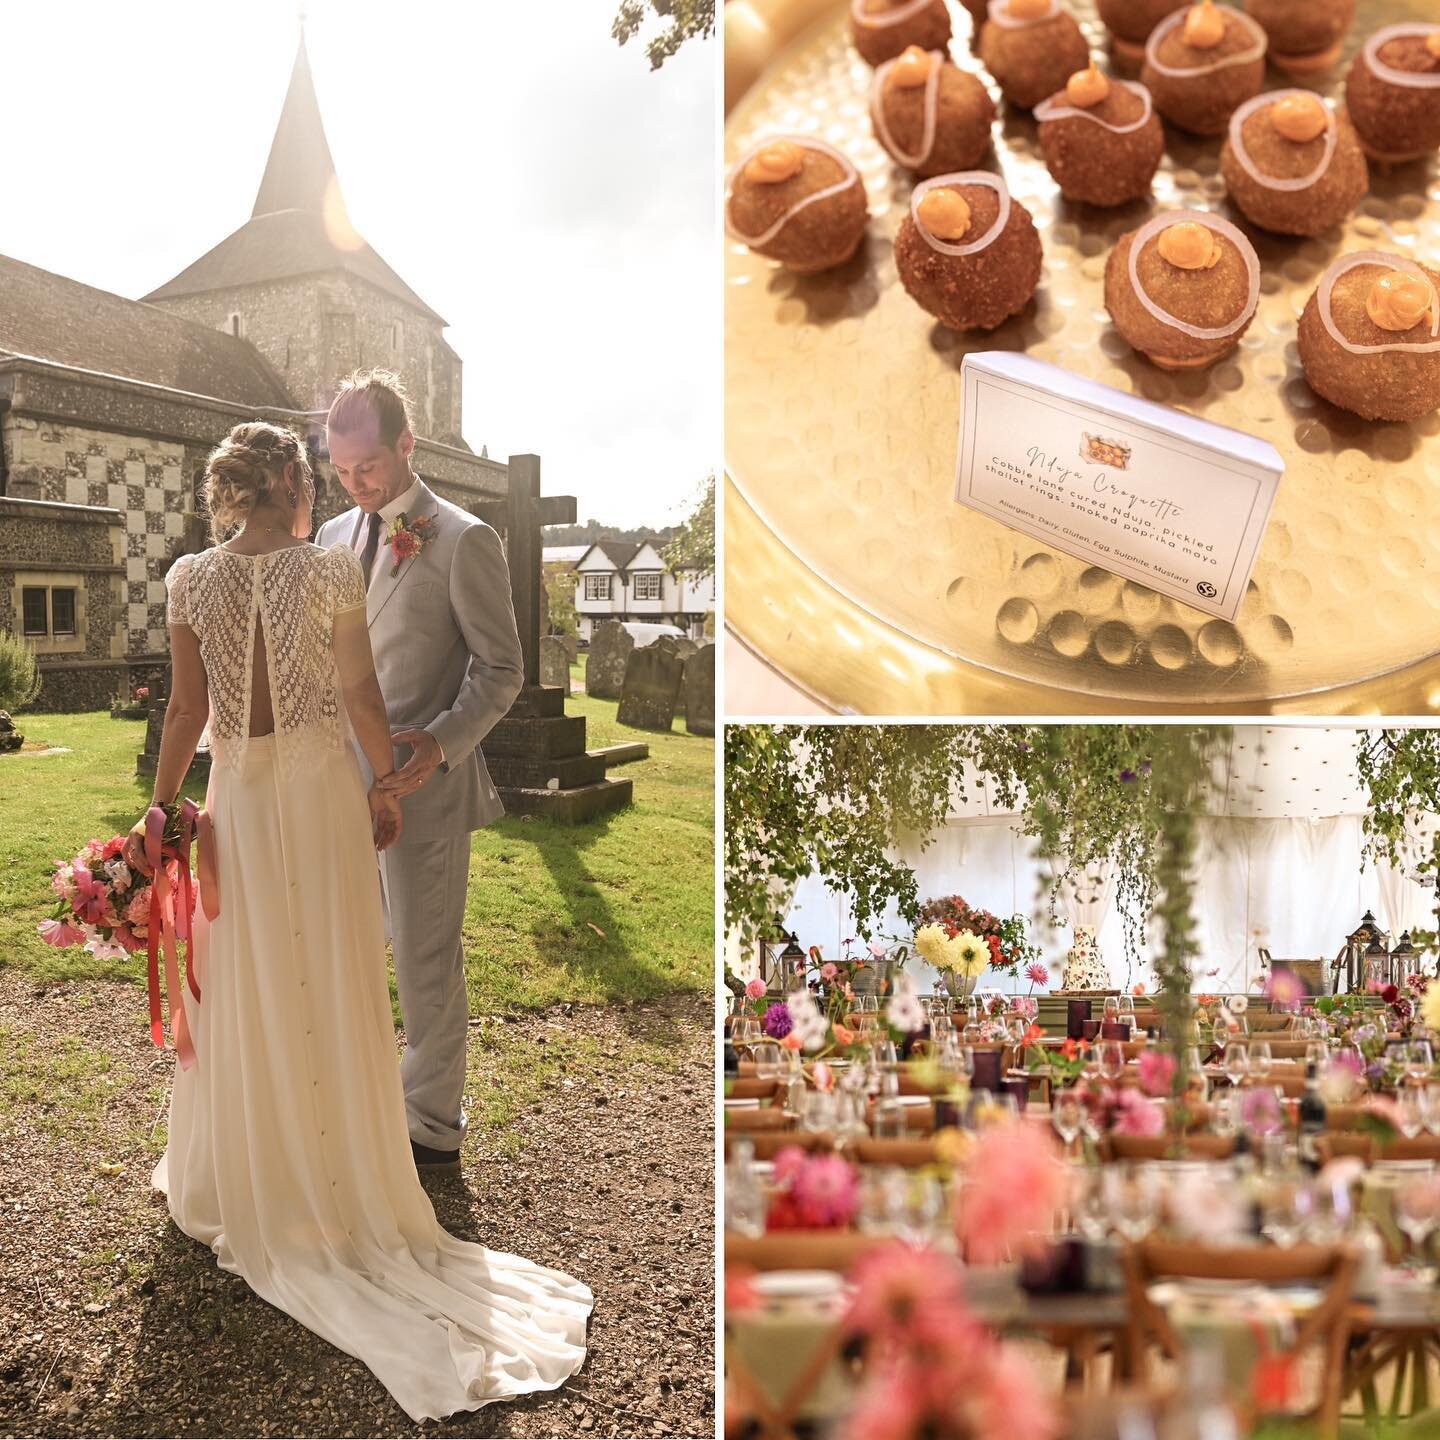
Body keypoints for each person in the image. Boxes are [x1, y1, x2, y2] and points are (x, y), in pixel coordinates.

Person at [125, 421, 590, 1423]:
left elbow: (183, 714)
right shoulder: (328, 573)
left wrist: (162, 809)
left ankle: (253, 1167)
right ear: (292, 483)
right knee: (330, 969)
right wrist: (386, 785)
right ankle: (335, 1168)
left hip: (241, 802)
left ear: (223, 495)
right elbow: (359, 693)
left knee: (246, 967)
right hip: (319, 795)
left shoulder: (188, 580)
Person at [315, 369, 524, 1175]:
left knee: (425, 957)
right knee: (353, 949)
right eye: (340, 470)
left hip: (424, 791)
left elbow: (500, 671)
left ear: (406, 445)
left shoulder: (466, 537)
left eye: (367, 466)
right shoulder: (331, 538)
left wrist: (437, 744)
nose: (356, 483)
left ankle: (432, 1124)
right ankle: (370, 1098)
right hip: (336, 785)